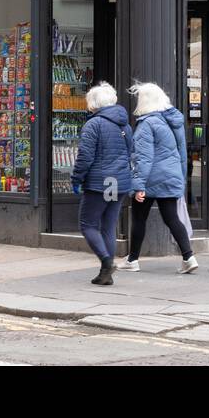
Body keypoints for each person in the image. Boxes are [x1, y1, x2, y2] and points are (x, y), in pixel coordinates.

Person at [122, 82, 198, 274]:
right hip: (171, 176)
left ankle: (132, 260)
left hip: (150, 179)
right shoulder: (172, 121)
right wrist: (180, 179)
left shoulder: (147, 123)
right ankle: (188, 256)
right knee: (172, 218)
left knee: (139, 218)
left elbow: (143, 158)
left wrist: (138, 185)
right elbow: (181, 152)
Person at [70, 82, 135, 286]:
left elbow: (85, 156)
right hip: (119, 181)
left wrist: (76, 179)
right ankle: (105, 273)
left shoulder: (94, 124)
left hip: (101, 181)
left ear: (94, 103)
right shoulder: (124, 124)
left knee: (88, 224)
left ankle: (107, 263)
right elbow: (130, 152)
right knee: (108, 226)